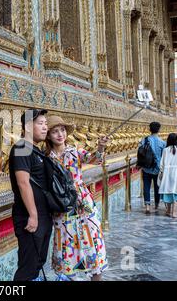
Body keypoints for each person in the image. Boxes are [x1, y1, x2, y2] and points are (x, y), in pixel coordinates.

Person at [45, 115, 110, 281]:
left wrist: (100, 148)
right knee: (66, 240)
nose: (60, 134)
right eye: (54, 132)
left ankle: (97, 276)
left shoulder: (75, 151)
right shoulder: (47, 158)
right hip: (61, 204)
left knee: (92, 233)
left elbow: (94, 159)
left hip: (82, 200)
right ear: (48, 136)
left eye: (62, 130)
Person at [9, 109, 53, 281]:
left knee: (37, 265)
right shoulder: (21, 147)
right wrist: (33, 216)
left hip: (43, 216)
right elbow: (23, 182)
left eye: (46, 124)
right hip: (30, 217)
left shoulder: (36, 150)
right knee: (27, 269)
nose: (45, 128)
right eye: (40, 124)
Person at [158, 133, 177, 218]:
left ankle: (168, 210)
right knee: (176, 192)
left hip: (168, 174)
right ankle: (174, 212)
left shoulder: (165, 150)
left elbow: (161, 165)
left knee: (168, 191)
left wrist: (161, 172)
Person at [139, 122, 166, 214]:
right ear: (159, 130)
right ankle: (157, 204)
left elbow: (140, 152)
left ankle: (147, 206)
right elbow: (163, 157)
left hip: (146, 167)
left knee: (146, 186)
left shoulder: (144, 140)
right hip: (157, 168)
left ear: (149, 129)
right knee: (157, 186)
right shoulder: (162, 142)